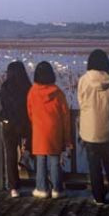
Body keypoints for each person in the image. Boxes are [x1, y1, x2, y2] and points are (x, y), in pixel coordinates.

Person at [78, 49, 109, 205]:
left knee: (94, 165)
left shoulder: (84, 80)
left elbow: (81, 102)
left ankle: (98, 197)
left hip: (90, 131)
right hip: (108, 128)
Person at [27, 61, 72, 199]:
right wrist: (67, 137)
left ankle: (41, 188)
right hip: (55, 130)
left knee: (40, 159)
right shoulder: (58, 92)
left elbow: (30, 111)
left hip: (39, 131)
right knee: (54, 160)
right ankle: (57, 189)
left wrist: (35, 122)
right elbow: (65, 114)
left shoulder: (32, 91)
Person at [0, 61, 32, 198]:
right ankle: (26, 154)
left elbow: (3, 103)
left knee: (10, 154)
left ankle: (13, 188)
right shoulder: (27, 87)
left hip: (8, 123)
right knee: (32, 139)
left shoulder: (5, 87)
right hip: (24, 123)